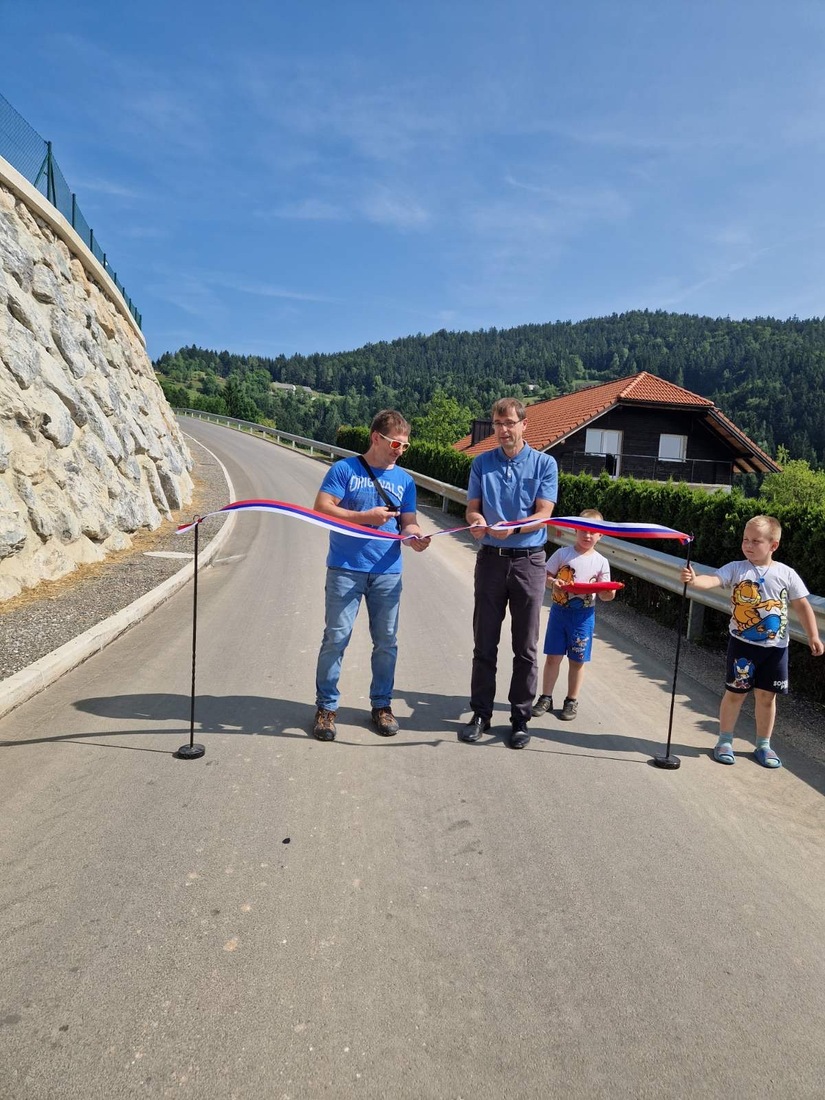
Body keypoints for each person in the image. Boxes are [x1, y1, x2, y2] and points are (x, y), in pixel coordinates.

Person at [312, 410, 430, 742]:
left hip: (388, 571)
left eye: (405, 445)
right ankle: (326, 709)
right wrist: (365, 517)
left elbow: (408, 521)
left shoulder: (405, 480)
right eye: (396, 443)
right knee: (336, 639)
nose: (400, 450)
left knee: (387, 643)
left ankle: (381, 706)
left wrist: (416, 535)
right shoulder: (344, 469)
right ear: (376, 437)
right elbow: (322, 507)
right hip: (345, 568)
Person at [680, 514, 823, 768]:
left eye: (756, 541)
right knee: (735, 693)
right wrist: (695, 580)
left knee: (767, 697)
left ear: (773, 545)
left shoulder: (786, 574)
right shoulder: (737, 568)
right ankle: (724, 740)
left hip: (776, 649)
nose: (748, 545)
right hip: (742, 646)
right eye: (745, 539)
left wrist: (813, 635)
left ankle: (763, 745)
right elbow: (713, 579)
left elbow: (802, 605)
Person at [461, 398, 558, 749]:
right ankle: (481, 714)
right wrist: (477, 522)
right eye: (498, 424)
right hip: (489, 559)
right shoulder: (481, 463)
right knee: (484, 643)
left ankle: (520, 718)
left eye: (510, 423)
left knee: (526, 647)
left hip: (529, 563)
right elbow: (472, 509)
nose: (503, 430)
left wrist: (513, 530)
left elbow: (544, 513)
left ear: (524, 425)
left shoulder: (546, 464)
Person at [532, 509, 617, 722]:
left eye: (593, 532)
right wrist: (553, 583)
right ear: (575, 529)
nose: (587, 535)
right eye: (583, 530)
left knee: (577, 660)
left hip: (584, 617)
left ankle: (571, 700)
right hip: (559, 613)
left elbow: (607, 594)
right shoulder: (562, 554)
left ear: (601, 535)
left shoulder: (601, 562)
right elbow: (545, 575)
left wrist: (608, 592)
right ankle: (546, 697)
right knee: (553, 657)